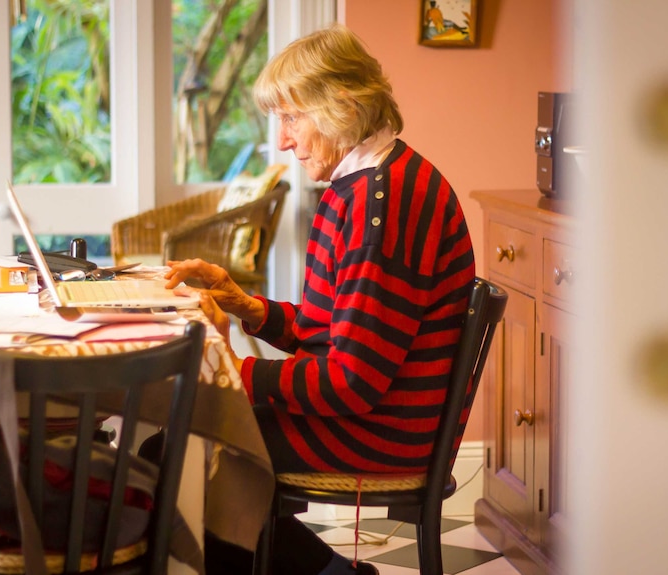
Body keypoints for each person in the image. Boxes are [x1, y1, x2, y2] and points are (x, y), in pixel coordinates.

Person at [164, 23, 476, 575]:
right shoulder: (364, 182)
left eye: (291, 118)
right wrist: (246, 306)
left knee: (185, 451)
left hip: (381, 433)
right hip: (379, 416)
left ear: (343, 106)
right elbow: (336, 326)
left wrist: (230, 373)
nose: (282, 141)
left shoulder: (382, 205)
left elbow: (351, 382)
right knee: (186, 437)